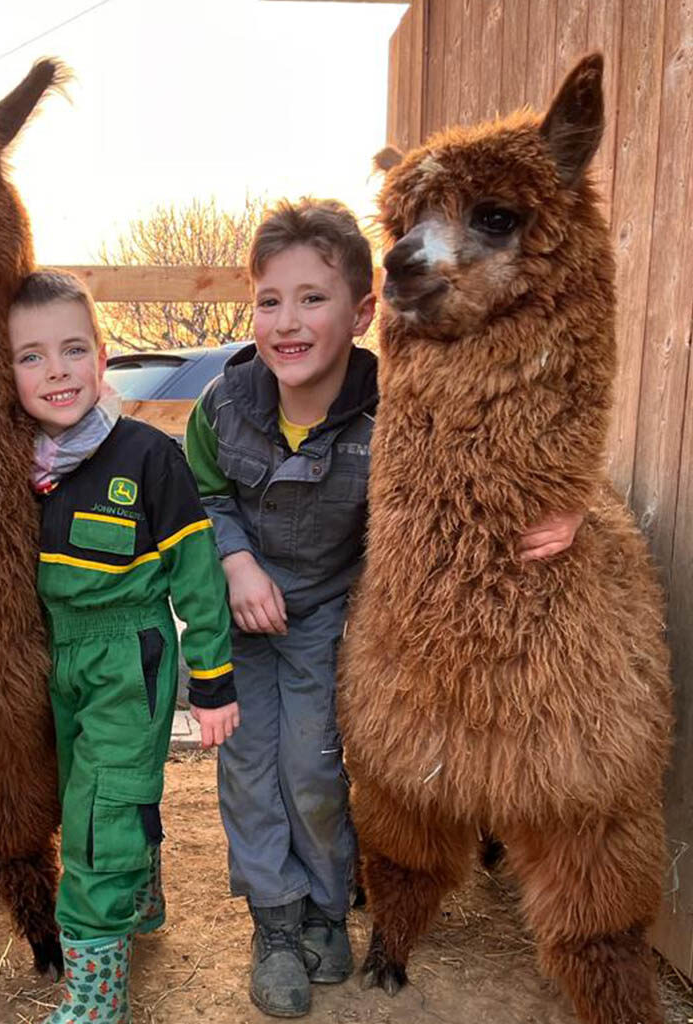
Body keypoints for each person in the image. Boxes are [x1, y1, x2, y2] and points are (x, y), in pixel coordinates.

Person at [184, 198, 582, 1018]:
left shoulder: (396, 411)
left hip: (334, 616)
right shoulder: (222, 408)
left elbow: (476, 467)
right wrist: (233, 560)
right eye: (269, 300)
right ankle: (278, 924)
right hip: (242, 612)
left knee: (319, 769)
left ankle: (331, 909)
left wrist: (565, 503)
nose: (286, 321)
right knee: (251, 773)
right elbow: (198, 494)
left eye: (313, 299)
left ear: (363, 311)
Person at [9, 270, 240, 1024]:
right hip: (56, 659)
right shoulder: (13, 465)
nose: (56, 372)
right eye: (31, 356)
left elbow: (198, 575)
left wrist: (211, 678)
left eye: (73, 350)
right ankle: (139, 901)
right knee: (87, 790)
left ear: (102, 356)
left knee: (100, 817)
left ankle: (96, 998)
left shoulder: (146, 455)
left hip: (126, 657)